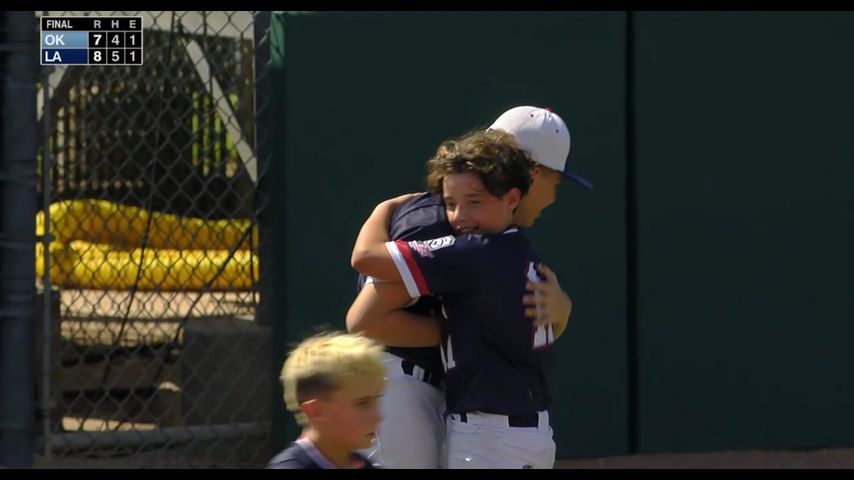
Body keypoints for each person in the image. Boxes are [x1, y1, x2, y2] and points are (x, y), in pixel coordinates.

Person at [346, 106, 591, 468]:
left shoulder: (491, 230)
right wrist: (468, 332)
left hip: (449, 393)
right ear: (532, 175)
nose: (553, 197)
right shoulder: (444, 222)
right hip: (402, 383)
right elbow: (365, 321)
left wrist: (561, 310)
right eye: (556, 182)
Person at [267, 331, 386, 469]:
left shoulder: (364, 465)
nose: (377, 417)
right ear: (316, 411)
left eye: (375, 401)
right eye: (362, 404)